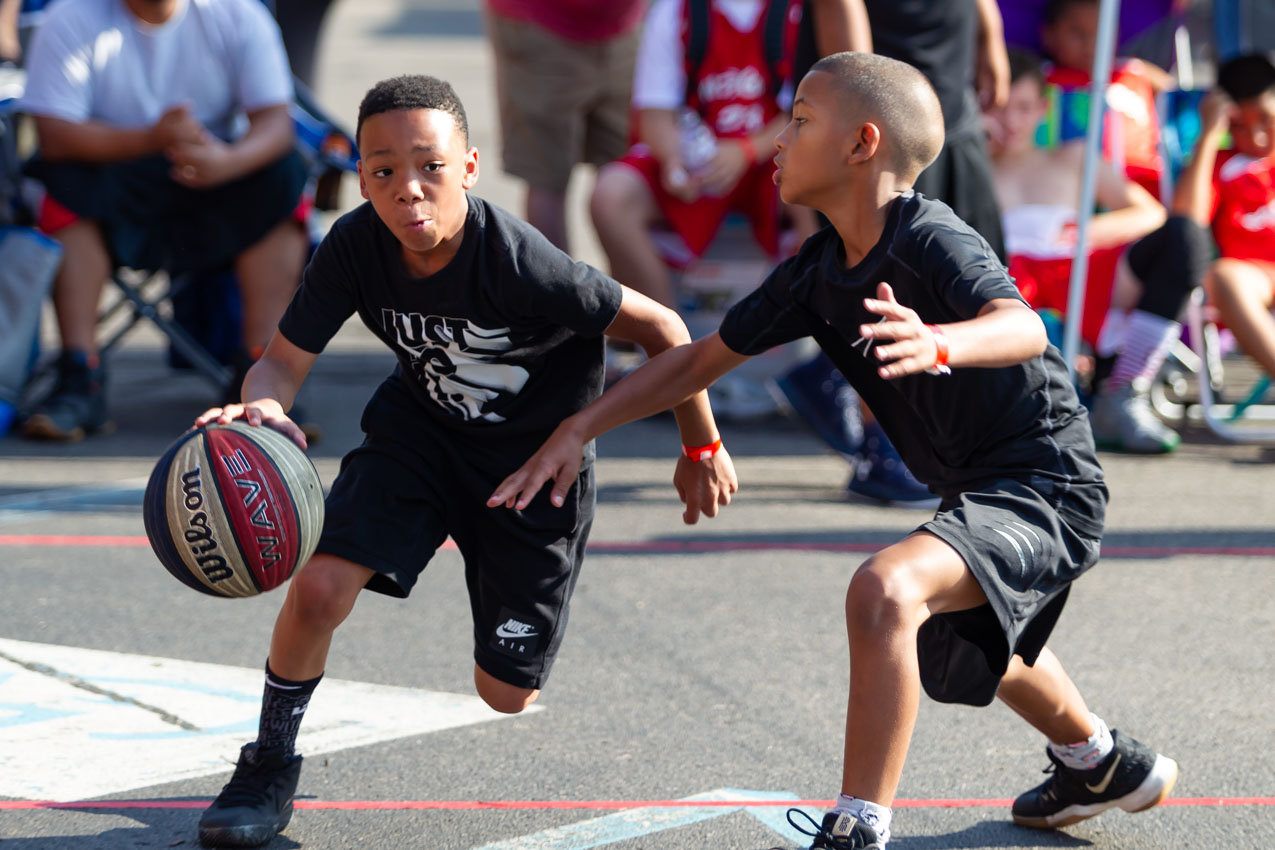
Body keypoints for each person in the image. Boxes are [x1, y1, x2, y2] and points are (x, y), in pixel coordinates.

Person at [490, 52, 1177, 849]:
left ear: (862, 145)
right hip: (977, 486)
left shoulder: (931, 237)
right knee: (970, 630)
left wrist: (939, 340)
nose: (777, 139)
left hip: (1046, 482)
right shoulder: (816, 273)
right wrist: (580, 428)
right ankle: (1100, 763)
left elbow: (1022, 326)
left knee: (885, 591)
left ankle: (855, 828)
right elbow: (694, 361)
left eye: (800, 120)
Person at [191, 75, 737, 848]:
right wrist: (264, 410)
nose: (407, 190)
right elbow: (277, 363)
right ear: (361, 178)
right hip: (421, 438)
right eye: (382, 172)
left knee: (505, 694)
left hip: (534, 464)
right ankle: (267, 763)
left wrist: (698, 443)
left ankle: (485, 568)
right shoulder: (355, 245)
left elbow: (667, 331)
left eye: (429, 167)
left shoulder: (519, 262)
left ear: (470, 169)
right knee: (317, 587)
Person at [16, 0, 310, 442]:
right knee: (59, 179)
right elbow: (54, 135)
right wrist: (153, 138)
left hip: (215, 176)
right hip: (114, 178)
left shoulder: (238, 15)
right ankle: (80, 375)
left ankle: (259, 376)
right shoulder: (72, 16)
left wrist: (228, 162)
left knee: (284, 175)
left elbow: (276, 122)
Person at [776, 0, 1011, 506]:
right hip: (877, 127)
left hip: (947, 99)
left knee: (960, 274)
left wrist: (988, 29)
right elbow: (849, 62)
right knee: (886, 280)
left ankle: (829, 375)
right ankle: (886, 449)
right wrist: (860, 140)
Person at [987, 49, 1177, 454]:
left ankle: (1122, 385)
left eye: (1022, 108)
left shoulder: (1072, 158)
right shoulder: (969, 166)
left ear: (1042, 109)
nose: (1010, 122)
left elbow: (1150, 212)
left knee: (1184, 238)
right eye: (997, 108)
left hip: (1079, 269)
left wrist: (1087, 230)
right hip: (1004, 279)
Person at [589, 0, 807, 311]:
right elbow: (654, 113)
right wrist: (673, 162)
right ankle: (665, 339)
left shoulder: (800, 11)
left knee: (822, 186)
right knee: (611, 196)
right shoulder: (676, 11)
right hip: (702, 166)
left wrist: (745, 151)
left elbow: (806, 115)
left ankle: (821, 331)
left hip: (775, 162)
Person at [484, 0, 644, 253]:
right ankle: (557, 289)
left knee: (624, 173)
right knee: (547, 177)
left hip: (621, 24)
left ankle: (623, 293)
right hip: (540, 21)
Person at [1186, 54, 1275, 391]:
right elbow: (1189, 223)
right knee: (1222, 276)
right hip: (1251, 275)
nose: (1257, 137)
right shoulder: (1220, 163)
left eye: (1266, 119)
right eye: (1239, 125)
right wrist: (1209, 136)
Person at [1037, 0, 1173, 198]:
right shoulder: (1039, 79)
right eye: (1077, 33)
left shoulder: (1135, 72)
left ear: (1116, 34)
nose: (1091, 43)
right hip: (1065, 192)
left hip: (1140, 192)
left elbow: (1178, 97)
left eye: (1101, 32)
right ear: (1049, 36)